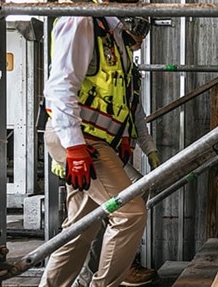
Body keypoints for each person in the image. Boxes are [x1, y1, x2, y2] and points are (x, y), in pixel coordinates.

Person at [40, 0, 153, 287]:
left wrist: (128, 141)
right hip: (80, 139)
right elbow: (60, 87)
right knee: (130, 213)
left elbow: (122, 100)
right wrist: (75, 148)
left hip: (95, 140)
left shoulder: (113, 33)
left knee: (80, 230)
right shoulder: (81, 21)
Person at [69, 18, 160, 287]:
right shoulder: (92, 46)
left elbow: (136, 113)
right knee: (122, 209)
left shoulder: (128, 70)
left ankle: (91, 275)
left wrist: (150, 149)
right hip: (84, 145)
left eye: (145, 31)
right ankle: (96, 276)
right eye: (138, 30)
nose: (141, 38)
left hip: (104, 146)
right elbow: (62, 92)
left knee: (85, 222)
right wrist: (73, 145)